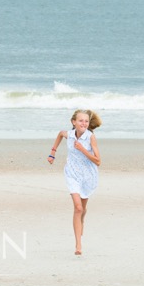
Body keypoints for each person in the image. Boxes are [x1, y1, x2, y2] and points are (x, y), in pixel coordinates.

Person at [48, 109, 101, 255]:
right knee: (78, 208)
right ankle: (78, 245)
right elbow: (60, 134)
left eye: (86, 121)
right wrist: (52, 152)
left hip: (88, 175)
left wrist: (83, 149)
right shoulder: (69, 135)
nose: (83, 123)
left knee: (82, 209)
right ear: (74, 122)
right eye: (80, 120)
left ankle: (82, 220)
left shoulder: (91, 138)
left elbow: (98, 161)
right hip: (72, 174)